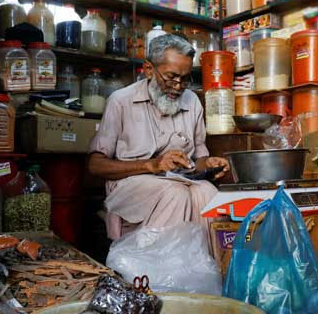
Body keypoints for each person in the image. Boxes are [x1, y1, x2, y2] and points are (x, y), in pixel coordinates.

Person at [87, 33, 229, 241]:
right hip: (129, 185)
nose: (178, 86)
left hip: (179, 180)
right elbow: (95, 165)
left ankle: (204, 268)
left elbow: (197, 162)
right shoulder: (121, 101)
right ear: (149, 70)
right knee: (175, 193)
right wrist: (152, 165)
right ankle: (155, 270)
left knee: (208, 193)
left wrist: (208, 163)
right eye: (171, 77)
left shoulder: (192, 102)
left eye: (185, 79)